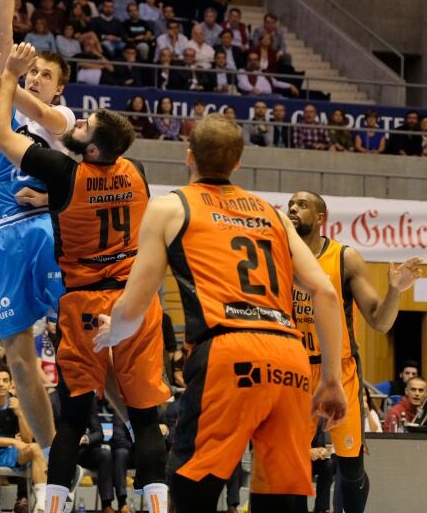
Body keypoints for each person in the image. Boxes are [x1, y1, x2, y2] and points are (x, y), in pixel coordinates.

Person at [93, 114, 348, 512]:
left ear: (188, 156)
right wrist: (331, 378)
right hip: (290, 357)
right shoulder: (275, 215)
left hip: (228, 351)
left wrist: (115, 330)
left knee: (191, 487)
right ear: (238, 162)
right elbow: (326, 293)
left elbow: (136, 302)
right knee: (283, 495)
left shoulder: (169, 208)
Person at [0, 42, 170, 512]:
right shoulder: (137, 172)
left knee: (72, 419)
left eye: (85, 126)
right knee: (147, 421)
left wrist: (7, 76)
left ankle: (56, 503)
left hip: (86, 302)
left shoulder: (65, 172)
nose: (79, 122)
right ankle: (162, 500)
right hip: (133, 303)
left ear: (89, 147)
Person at [277, 191, 422, 513]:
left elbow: (379, 321)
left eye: (302, 205)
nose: (292, 209)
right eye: (290, 204)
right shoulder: (276, 256)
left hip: (338, 371)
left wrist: (395, 291)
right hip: (292, 370)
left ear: (319, 218)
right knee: (291, 464)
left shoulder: (344, 258)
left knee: (350, 465)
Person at [0, 367, 48, 513]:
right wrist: (13, 441)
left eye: (5, 381)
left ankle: (41, 504)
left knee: (36, 448)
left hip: (11, 453)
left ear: (11, 384)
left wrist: (20, 414)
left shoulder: (18, 402)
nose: (1, 384)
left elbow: (27, 439)